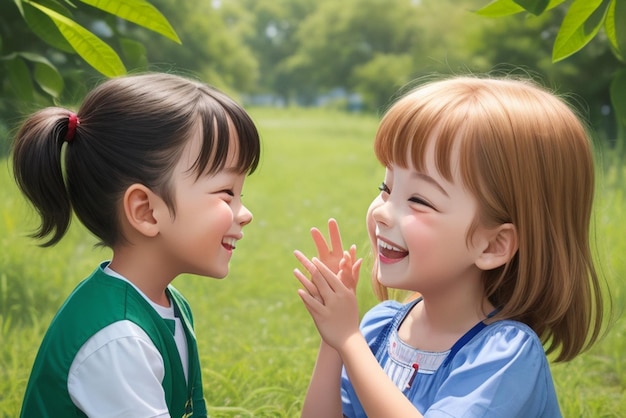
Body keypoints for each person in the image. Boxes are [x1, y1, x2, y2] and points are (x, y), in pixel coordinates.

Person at [293, 76, 607, 417]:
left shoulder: (504, 355)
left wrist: (349, 342)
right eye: (386, 187)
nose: (382, 212)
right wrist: (334, 340)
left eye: (418, 200)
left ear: (493, 245)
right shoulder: (379, 328)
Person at [13, 72, 261, 417]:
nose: (244, 213)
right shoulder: (119, 339)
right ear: (145, 211)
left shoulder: (169, 306)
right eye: (226, 193)